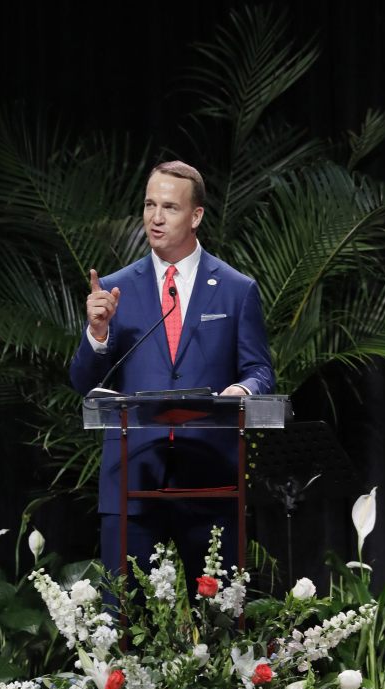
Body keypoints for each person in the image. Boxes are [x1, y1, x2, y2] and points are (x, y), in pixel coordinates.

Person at [70, 160, 274, 586]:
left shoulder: (237, 289)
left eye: (169, 207)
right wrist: (97, 332)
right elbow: (83, 384)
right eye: (149, 205)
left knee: (220, 621)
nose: (155, 218)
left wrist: (241, 388)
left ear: (196, 215)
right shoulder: (113, 290)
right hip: (132, 477)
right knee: (125, 619)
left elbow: (259, 371)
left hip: (211, 480)